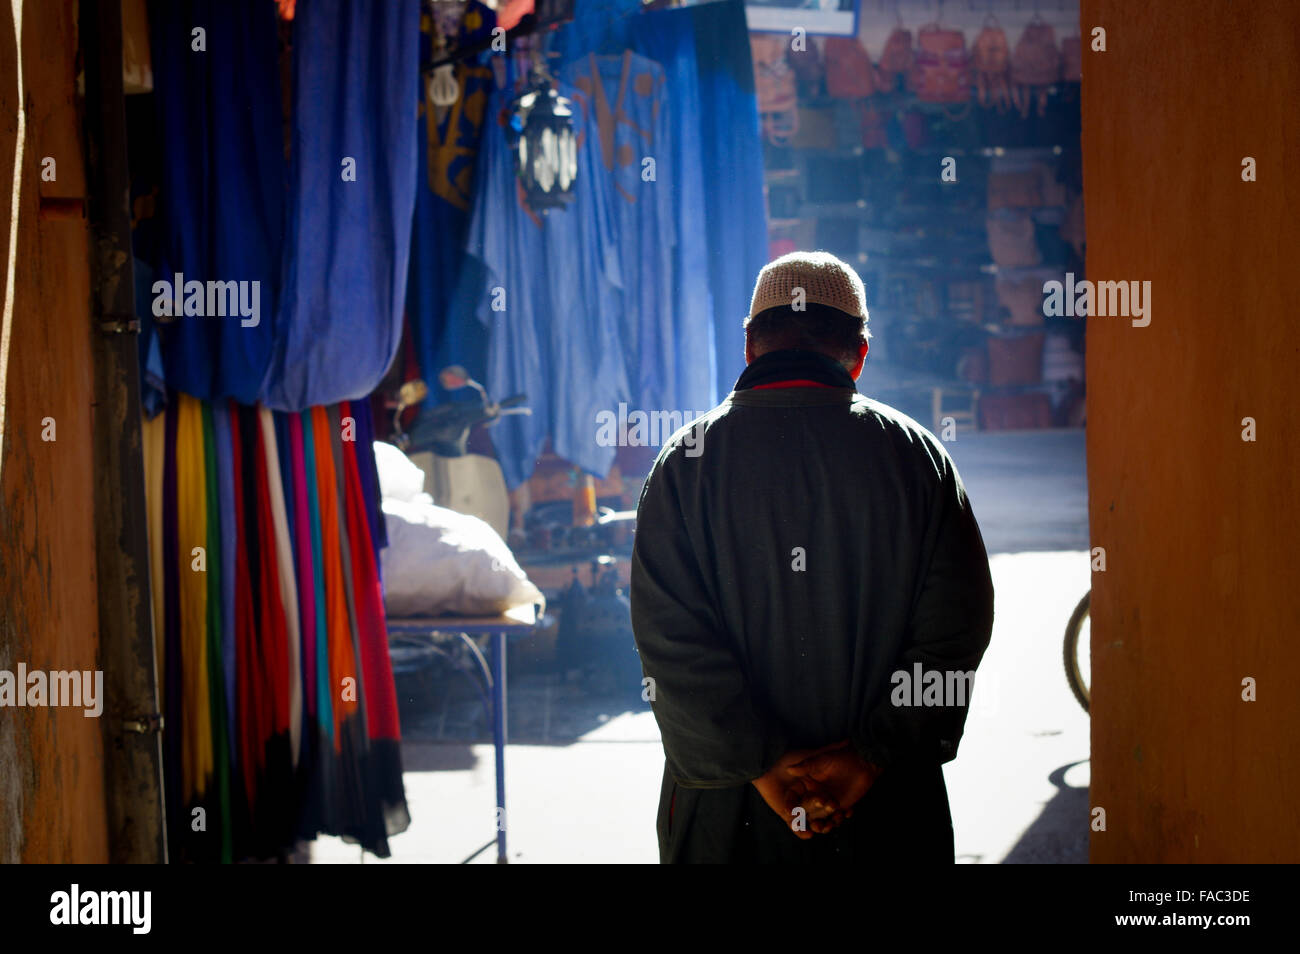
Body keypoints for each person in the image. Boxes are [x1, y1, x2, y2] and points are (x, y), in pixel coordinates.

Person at [630, 251, 995, 863]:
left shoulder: (683, 464)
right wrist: (868, 761)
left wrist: (766, 771)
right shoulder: (916, 457)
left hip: (730, 815)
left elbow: (669, 643)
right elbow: (955, 629)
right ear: (859, 352)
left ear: (750, 346)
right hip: (886, 813)